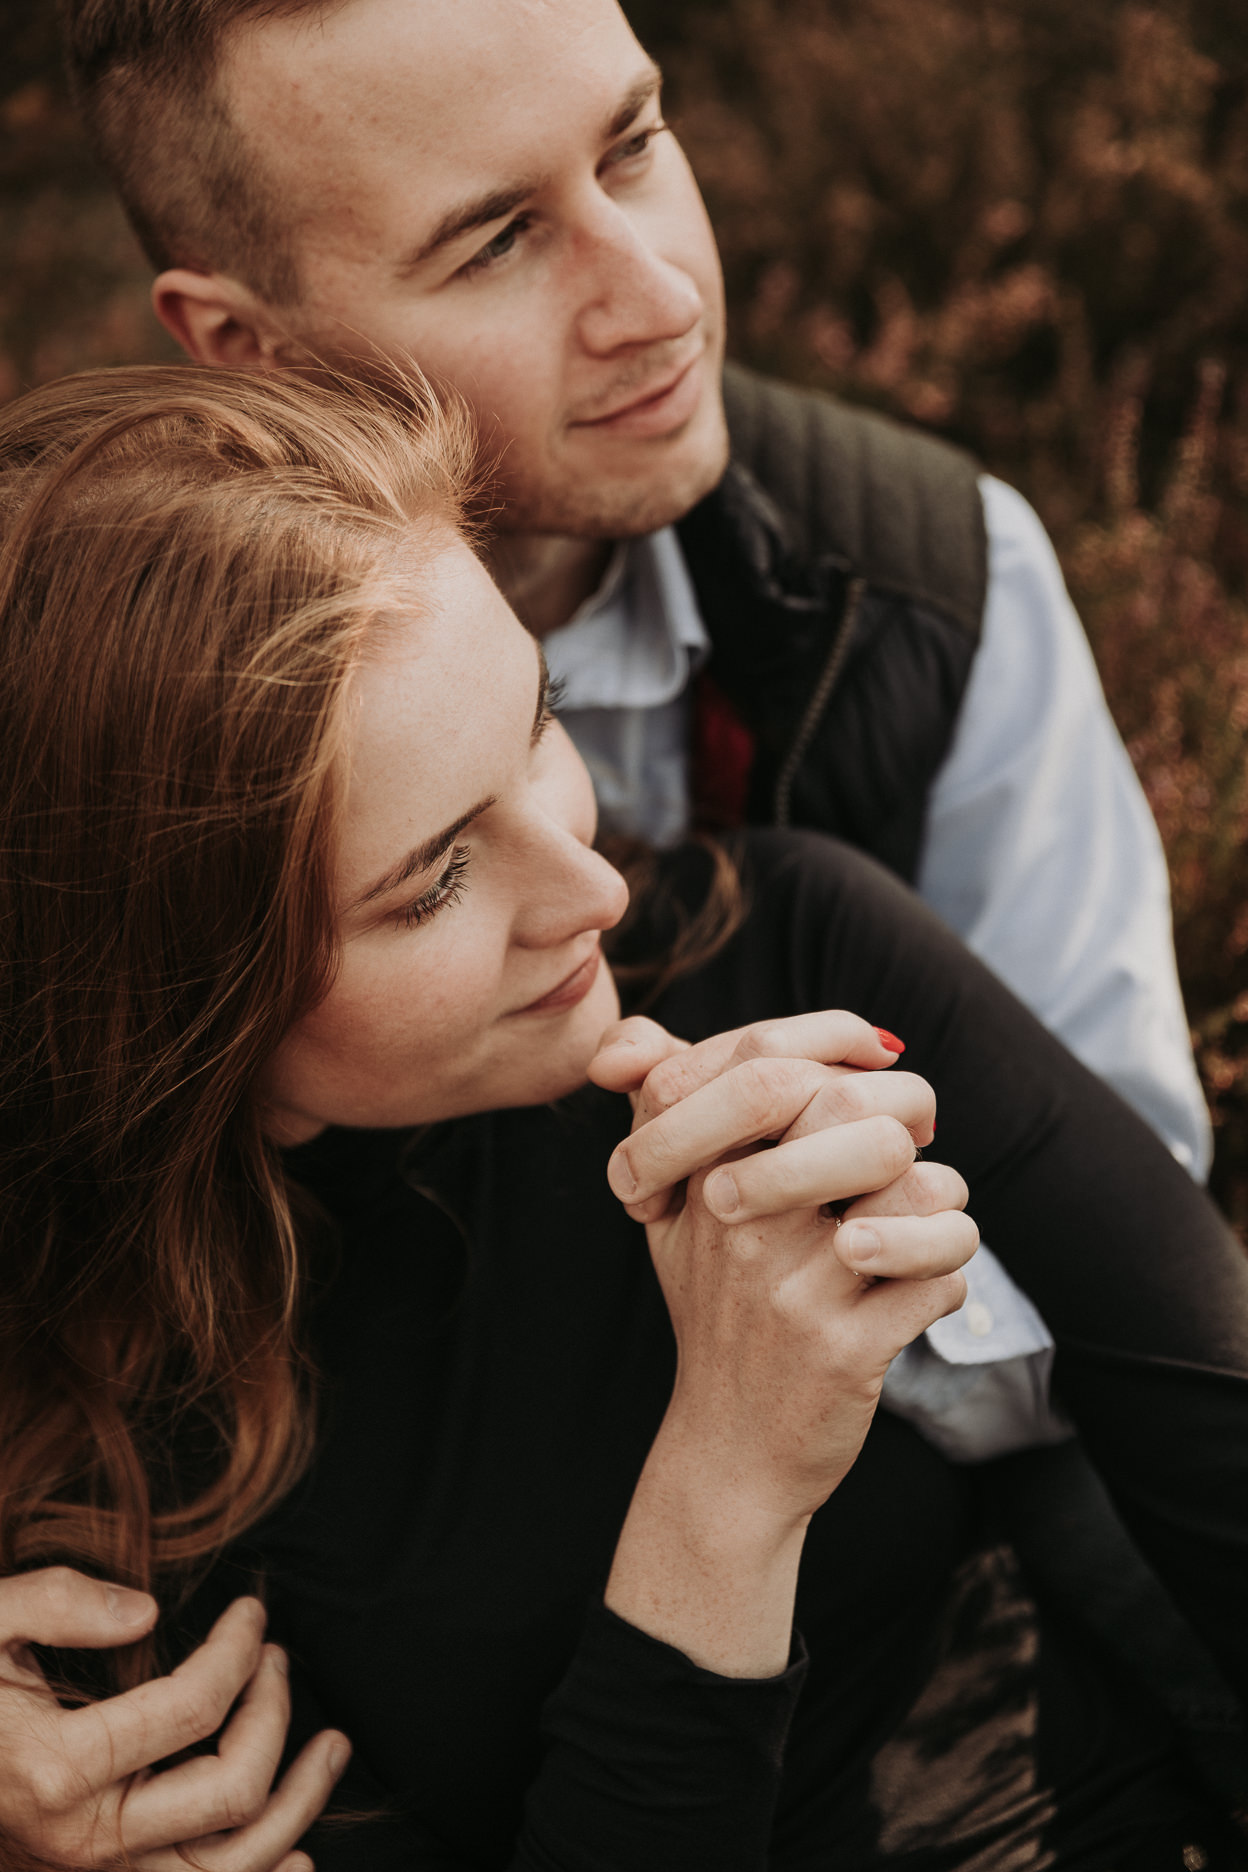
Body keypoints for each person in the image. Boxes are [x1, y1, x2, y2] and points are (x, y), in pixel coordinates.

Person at [1, 365, 1247, 1872]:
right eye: (436, 878)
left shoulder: (779, 947)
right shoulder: (110, 1498)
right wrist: (733, 1471)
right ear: (188, 1022)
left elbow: (1210, 1411)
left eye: (541, 723)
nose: (592, 889)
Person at [57, 0, 1212, 1458]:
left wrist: (801, 1330)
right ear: (242, 342)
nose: (659, 298)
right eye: (496, 242)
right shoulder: (73, 699)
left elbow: (1115, 1227)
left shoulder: (938, 578)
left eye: (636, 146)